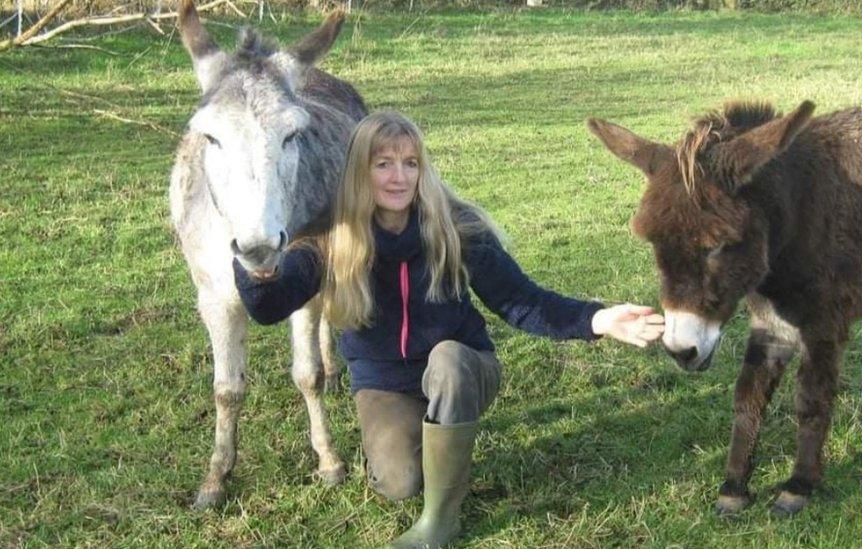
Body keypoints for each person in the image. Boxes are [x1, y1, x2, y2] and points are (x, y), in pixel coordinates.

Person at [234, 111, 665, 548]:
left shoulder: (456, 227)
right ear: (360, 170)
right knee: (399, 482)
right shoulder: (331, 235)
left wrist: (599, 319)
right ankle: (427, 444)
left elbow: (522, 301)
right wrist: (252, 259)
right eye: (383, 164)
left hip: (464, 367)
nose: (399, 177)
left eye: (411, 163)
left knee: (448, 359)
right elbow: (269, 308)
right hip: (385, 383)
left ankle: (439, 521)